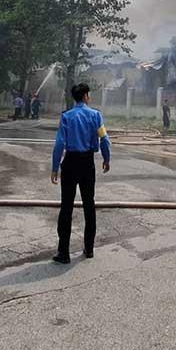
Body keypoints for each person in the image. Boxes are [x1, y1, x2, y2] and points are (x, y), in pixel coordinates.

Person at [50, 83, 111, 263]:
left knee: (66, 207)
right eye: (89, 94)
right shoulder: (95, 115)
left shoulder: (66, 117)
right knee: (89, 205)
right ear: (85, 96)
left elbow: (60, 144)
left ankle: (63, 253)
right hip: (87, 164)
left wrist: (55, 167)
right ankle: (89, 248)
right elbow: (104, 139)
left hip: (70, 163)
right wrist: (106, 159)